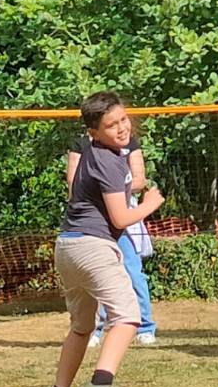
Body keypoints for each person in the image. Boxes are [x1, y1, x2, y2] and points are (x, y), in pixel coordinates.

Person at [44, 92, 164, 387]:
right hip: (93, 247)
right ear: (93, 132)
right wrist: (150, 204)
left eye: (123, 119)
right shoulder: (111, 162)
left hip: (67, 246)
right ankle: (101, 385)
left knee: (82, 326)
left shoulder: (93, 154)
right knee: (127, 316)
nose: (122, 128)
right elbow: (120, 219)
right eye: (111, 125)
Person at [67, 133, 157, 347]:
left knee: (132, 272)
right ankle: (93, 330)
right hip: (91, 222)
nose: (120, 128)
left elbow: (139, 180)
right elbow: (73, 183)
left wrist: (110, 189)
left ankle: (144, 327)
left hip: (123, 215)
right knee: (94, 276)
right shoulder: (81, 144)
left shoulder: (128, 142)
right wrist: (105, 189)